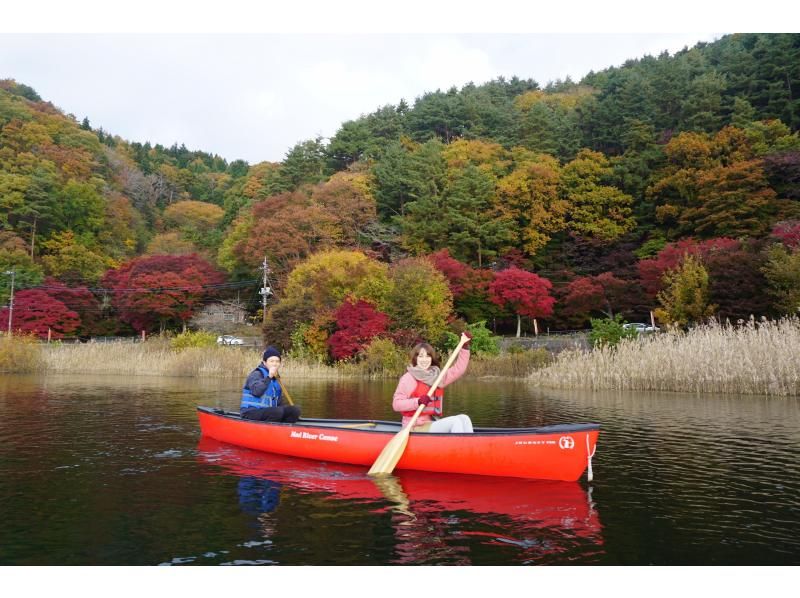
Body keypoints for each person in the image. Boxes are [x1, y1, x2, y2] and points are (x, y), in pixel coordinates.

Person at [392, 332, 473, 433]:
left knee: (464, 418)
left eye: (427, 356)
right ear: (415, 358)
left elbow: (458, 369)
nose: (424, 360)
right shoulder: (408, 378)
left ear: (431, 358)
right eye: (421, 356)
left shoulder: (436, 377)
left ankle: (468, 445)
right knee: (455, 422)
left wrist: (464, 347)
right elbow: (396, 404)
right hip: (414, 426)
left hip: (431, 423)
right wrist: (417, 402)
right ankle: (459, 446)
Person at [240, 346, 301, 423]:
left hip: (268, 412)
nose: (275, 364)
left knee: (295, 410)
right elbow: (256, 392)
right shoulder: (256, 374)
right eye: (271, 361)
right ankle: (268, 431)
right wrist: (269, 377)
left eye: (277, 361)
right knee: (277, 412)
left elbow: (278, 402)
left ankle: (287, 430)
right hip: (250, 411)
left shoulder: (276, 378)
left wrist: (288, 412)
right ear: (265, 362)